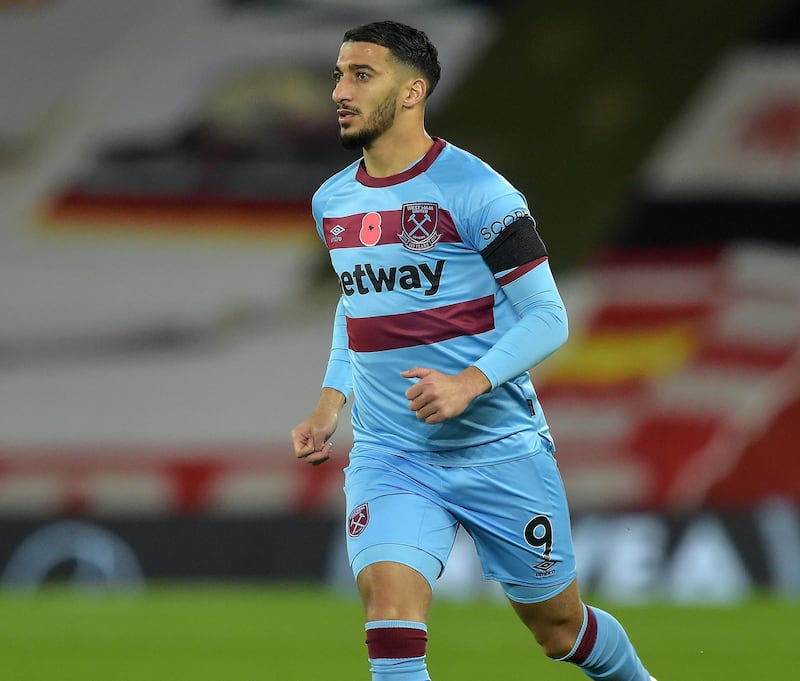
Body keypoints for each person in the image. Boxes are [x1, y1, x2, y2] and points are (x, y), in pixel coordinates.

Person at [291, 20, 656, 681]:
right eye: (338, 75)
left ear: (412, 92)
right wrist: (329, 400)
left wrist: (468, 383)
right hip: (391, 453)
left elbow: (548, 316)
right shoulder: (332, 201)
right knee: (390, 617)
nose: (340, 91)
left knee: (559, 630)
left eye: (360, 75)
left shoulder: (478, 192)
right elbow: (358, 302)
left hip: (497, 449)